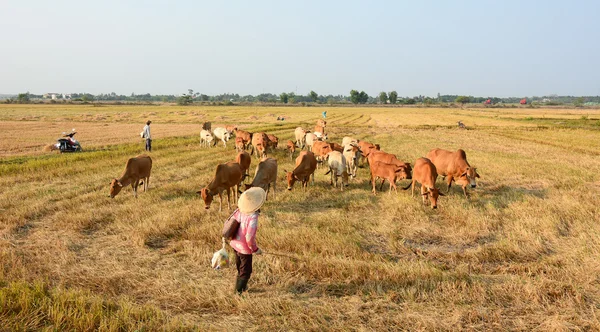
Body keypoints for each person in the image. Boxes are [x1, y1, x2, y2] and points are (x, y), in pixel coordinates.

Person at [229, 187, 266, 295]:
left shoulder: (239, 211)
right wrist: (255, 249)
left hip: (235, 244)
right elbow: (249, 237)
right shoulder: (253, 217)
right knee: (246, 271)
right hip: (245, 249)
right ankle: (238, 293)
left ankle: (240, 288)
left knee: (240, 267)